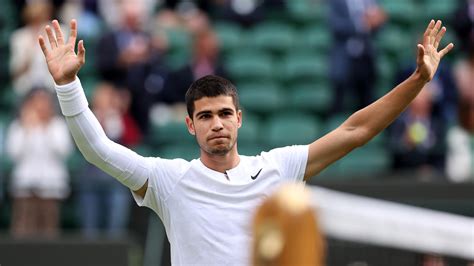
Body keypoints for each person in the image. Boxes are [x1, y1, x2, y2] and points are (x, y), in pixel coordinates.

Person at [38, 19, 453, 265]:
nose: (216, 123)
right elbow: (97, 149)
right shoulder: (168, 180)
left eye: (223, 114)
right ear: (190, 126)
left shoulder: (280, 167)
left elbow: (355, 131)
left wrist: (417, 81)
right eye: (205, 116)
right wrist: (68, 84)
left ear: (239, 119)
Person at [6, 88, 72, 238]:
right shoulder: (19, 126)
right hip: (24, 186)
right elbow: (13, 153)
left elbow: (63, 151)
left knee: (49, 230)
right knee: (22, 229)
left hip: (51, 187)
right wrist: (27, 128)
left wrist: (46, 127)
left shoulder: (57, 125)